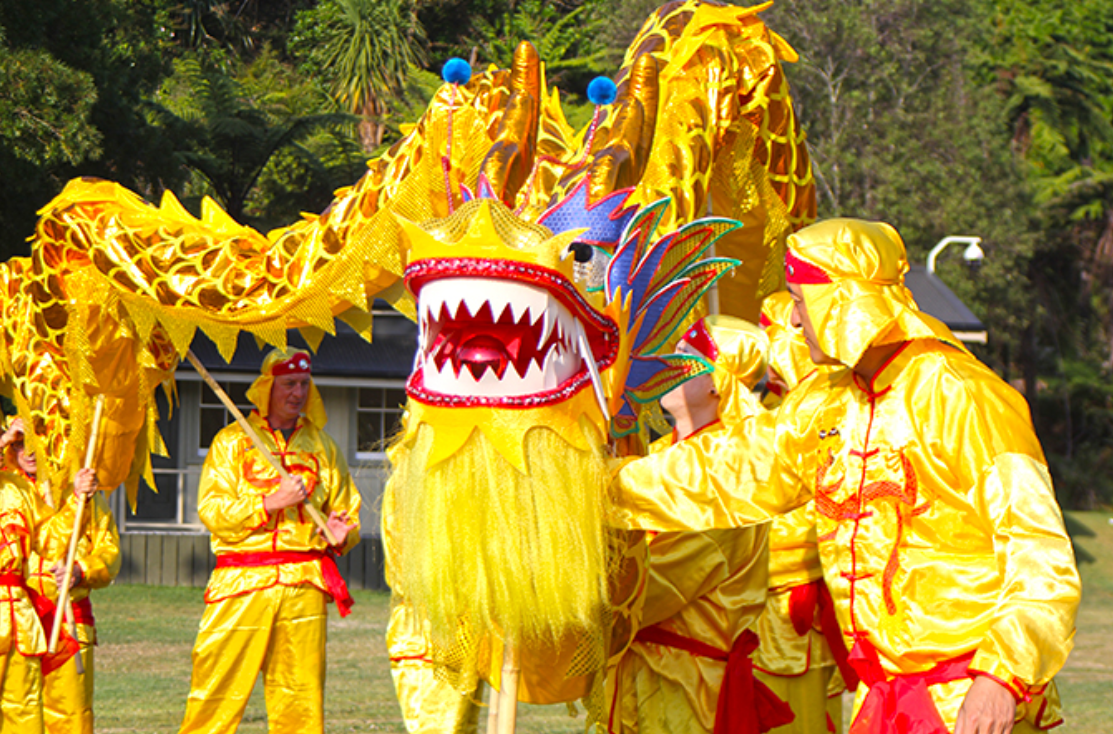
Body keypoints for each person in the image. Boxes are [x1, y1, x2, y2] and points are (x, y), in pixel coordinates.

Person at [775, 219, 1080, 733]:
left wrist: (1000, 678)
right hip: (886, 702)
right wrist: (603, 483)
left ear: (838, 302)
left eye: (800, 301)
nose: (794, 322)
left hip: (968, 705)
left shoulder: (961, 394)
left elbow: (1039, 551)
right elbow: (727, 470)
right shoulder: (830, 404)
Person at [608, 315, 794, 734]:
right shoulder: (657, 455)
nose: (669, 367)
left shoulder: (732, 476)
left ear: (718, 383)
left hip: (688, 686)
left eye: (687, 358)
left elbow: (657, 587)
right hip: (639, 670)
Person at [178, 349, 362, 734]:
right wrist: (268, 503)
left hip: (303, 582)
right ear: (267, 388)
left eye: (304, 384)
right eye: (289, 384)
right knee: (216, 688)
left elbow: (347, 510)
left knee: (300, 698)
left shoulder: (323, 447)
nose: (297, 392)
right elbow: (212, 510)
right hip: (241, 583)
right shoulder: (232, 443)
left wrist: (342, 534)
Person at [755, 292, 853, 734]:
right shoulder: (765, 423)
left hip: (805, 616)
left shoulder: (843, 412)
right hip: (759, 621)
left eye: (796, 326)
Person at [0, 416, 121, 734]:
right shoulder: (8, 485)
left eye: (36, 440)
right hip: (20, 616)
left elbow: (100, 551)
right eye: (19, 441)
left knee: (64, 718)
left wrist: (80, 571)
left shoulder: (76, 491)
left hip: (61, 621)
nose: (28, 450)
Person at [0, 418, 85, 733]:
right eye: (12, 441)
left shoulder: (20, 489)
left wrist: (78, 499)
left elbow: (50, 540)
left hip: (19, 621)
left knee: (23, 710)